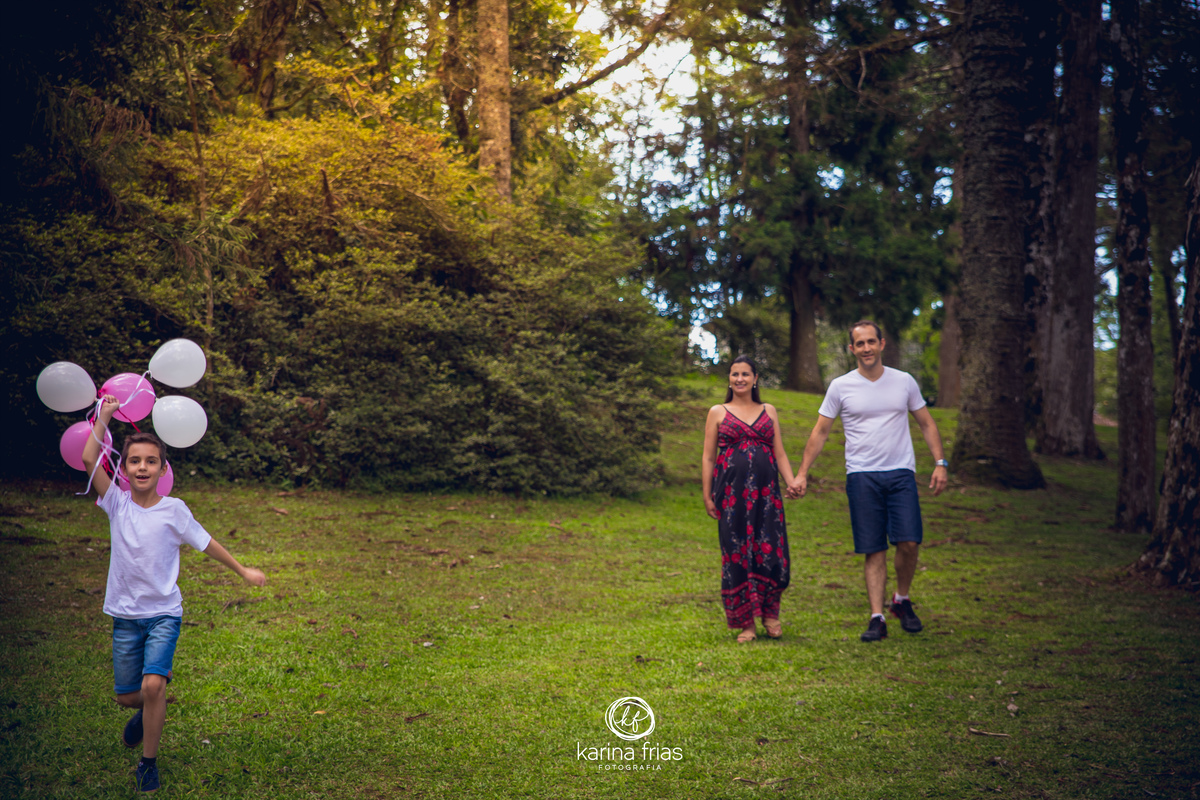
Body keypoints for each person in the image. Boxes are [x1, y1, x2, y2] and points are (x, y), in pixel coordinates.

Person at [81, 395, 266, 793]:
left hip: (165, 613)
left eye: (151, 461)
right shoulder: (116, 503)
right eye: (134, 461)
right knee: (128, 697)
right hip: (125, 616)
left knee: (153, 687)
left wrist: (242, 570)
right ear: (123, 469)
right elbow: (88, 457)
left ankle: (148, 764)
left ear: (163, 469)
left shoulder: (175, 510)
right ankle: (147, 709)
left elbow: (207, 542)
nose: (142, 467)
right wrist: (105, 415)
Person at [789, 321, 948, 643]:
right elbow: (821, 431)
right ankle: (877, 617)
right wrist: (802, 472)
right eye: (860, 344)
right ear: (852, 349)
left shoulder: (904, 381)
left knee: (909, 542)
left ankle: (901, 599)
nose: (866, 348)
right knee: (873, 549)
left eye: (871, 342)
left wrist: (940, 463)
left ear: (882, 344)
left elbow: (927, 423)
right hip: (861, 475)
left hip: (901, 473)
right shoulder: (840, 386)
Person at [702, 356, 796, 643]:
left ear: (755, 379)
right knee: (736, 552)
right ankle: (746, 624)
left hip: (768, 497)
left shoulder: (769, 411)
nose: (739, 379)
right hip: (732, 497)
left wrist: (791, 481)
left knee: (772, 550)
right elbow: (708, 457)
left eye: (745, 374)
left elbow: (779, 453)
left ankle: (770, 614)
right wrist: (707, 494)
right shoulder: (717, 412)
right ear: (729, 379)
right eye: (734, 374)